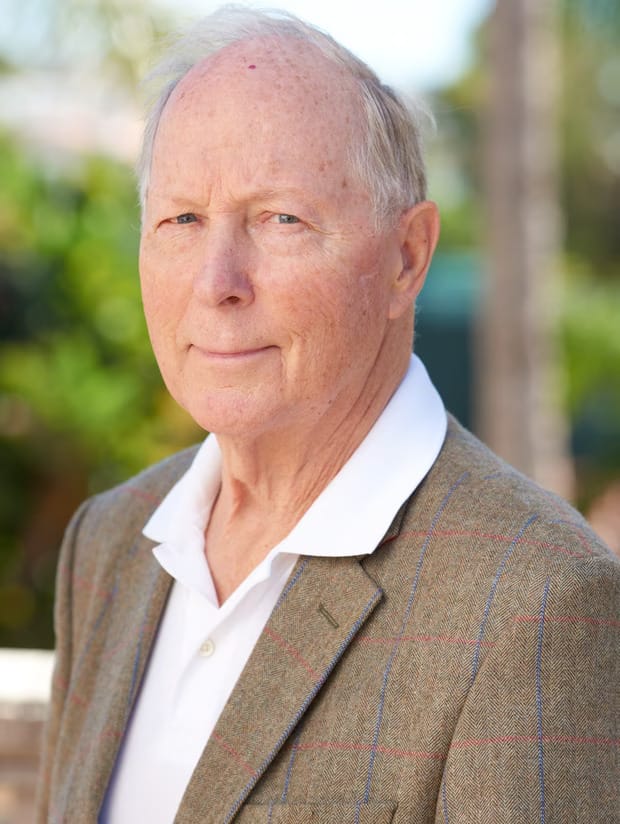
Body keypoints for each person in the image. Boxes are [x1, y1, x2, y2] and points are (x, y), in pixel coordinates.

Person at [37, 7, 619, 823]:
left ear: (406, 258)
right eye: (182, 219)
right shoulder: (107, 546)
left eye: (281, 218)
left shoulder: (539, 604)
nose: (217, 281)